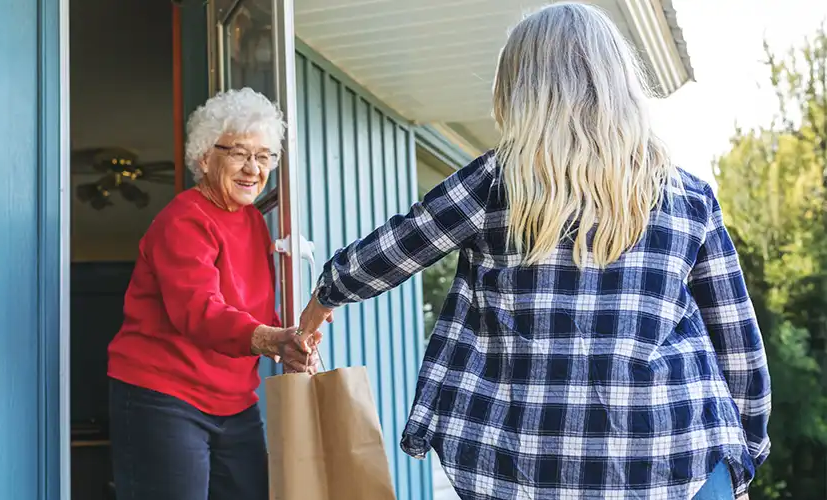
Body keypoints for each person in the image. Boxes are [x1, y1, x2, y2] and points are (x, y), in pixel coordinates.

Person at [297, 3, 769, 500]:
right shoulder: (686, 198)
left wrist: (322, 299)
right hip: (678, 463)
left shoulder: (494, 185)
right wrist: (747, 453)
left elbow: (393, 249)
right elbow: (739, 348)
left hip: (526, 471)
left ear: (520, 89)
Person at [108, 87, 319, 500]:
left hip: (234, 402)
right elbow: (199, 310)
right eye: (239, 153)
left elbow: (255, 309)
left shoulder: (254, 223)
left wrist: (296, 336)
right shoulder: (184, 220)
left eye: (264, 157)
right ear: (205, 157)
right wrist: (269, 339)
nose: (253, 168)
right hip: (163, 396)